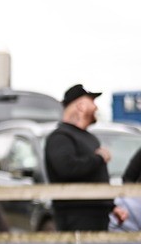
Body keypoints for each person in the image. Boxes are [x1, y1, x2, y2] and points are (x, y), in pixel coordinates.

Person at [43, 85, 122, 231]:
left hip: (98, 215)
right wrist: (99, 158)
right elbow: (67, 169)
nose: (96, 108)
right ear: (80, 106)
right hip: (76, 217)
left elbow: (95, 178)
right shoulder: (61, 137)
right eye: (92, 101)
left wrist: (111, 205)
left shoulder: (90, 138)